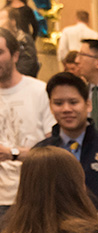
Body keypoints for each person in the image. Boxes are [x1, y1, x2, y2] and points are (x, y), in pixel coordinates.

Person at [36, 72, 98, 208]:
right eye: (58, 103)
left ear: (88, 104)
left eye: (73, 102)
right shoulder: (41, 152)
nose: (66, 109)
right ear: (50, 106)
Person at [0, 26, 54, 219]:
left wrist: (11, 153)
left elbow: (53, 148)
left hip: (33, 196)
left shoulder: (39, 91)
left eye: (0, 52)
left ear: (15, 56)